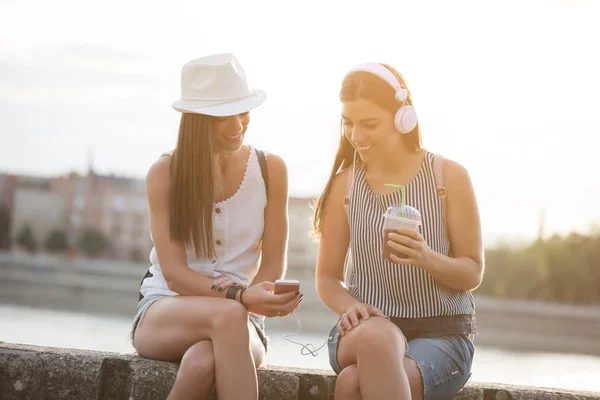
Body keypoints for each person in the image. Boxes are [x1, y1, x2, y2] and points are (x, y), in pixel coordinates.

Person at [131, 53, 302, 400]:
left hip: (244, 321)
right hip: (166, 310)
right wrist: (239, 296)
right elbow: (175, 275)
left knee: (200, 363)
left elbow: (272, 262)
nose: (238, 124)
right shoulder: (164, 173)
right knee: (226, 316)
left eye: (243, 111)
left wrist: (262, 296)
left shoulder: (272, 170)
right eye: (225, 115)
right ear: (197, 120)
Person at [312, 62, 483, 400]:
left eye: (369, 124)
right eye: (348, 123)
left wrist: (426, 258)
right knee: (379, 337)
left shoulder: (448, 178)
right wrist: (350, 307)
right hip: (365, 328)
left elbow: (472, 272)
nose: (356, 136)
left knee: (351, 384)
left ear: (403, 118)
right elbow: (327, 278)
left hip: (442, 335)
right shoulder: (343, 187)